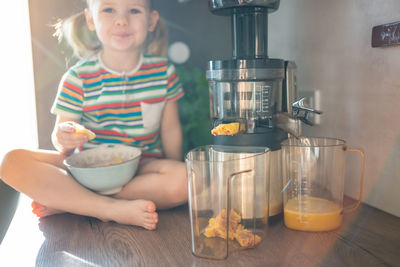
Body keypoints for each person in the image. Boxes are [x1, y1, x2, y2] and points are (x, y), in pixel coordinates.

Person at [0, 0, 188, 230]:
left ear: (151, 21)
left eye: (134, 10)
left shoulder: (164, 73)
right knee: (11, 162)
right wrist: (64, 136)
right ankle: (109, 209)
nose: (121, 20)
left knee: (185, 179)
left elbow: (170, 129)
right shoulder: (77, 77)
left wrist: (174, 168)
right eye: (109, 10)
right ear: (90, 19)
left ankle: (73, 202)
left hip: (142, 168)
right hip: (85, 171)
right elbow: (61, 140)